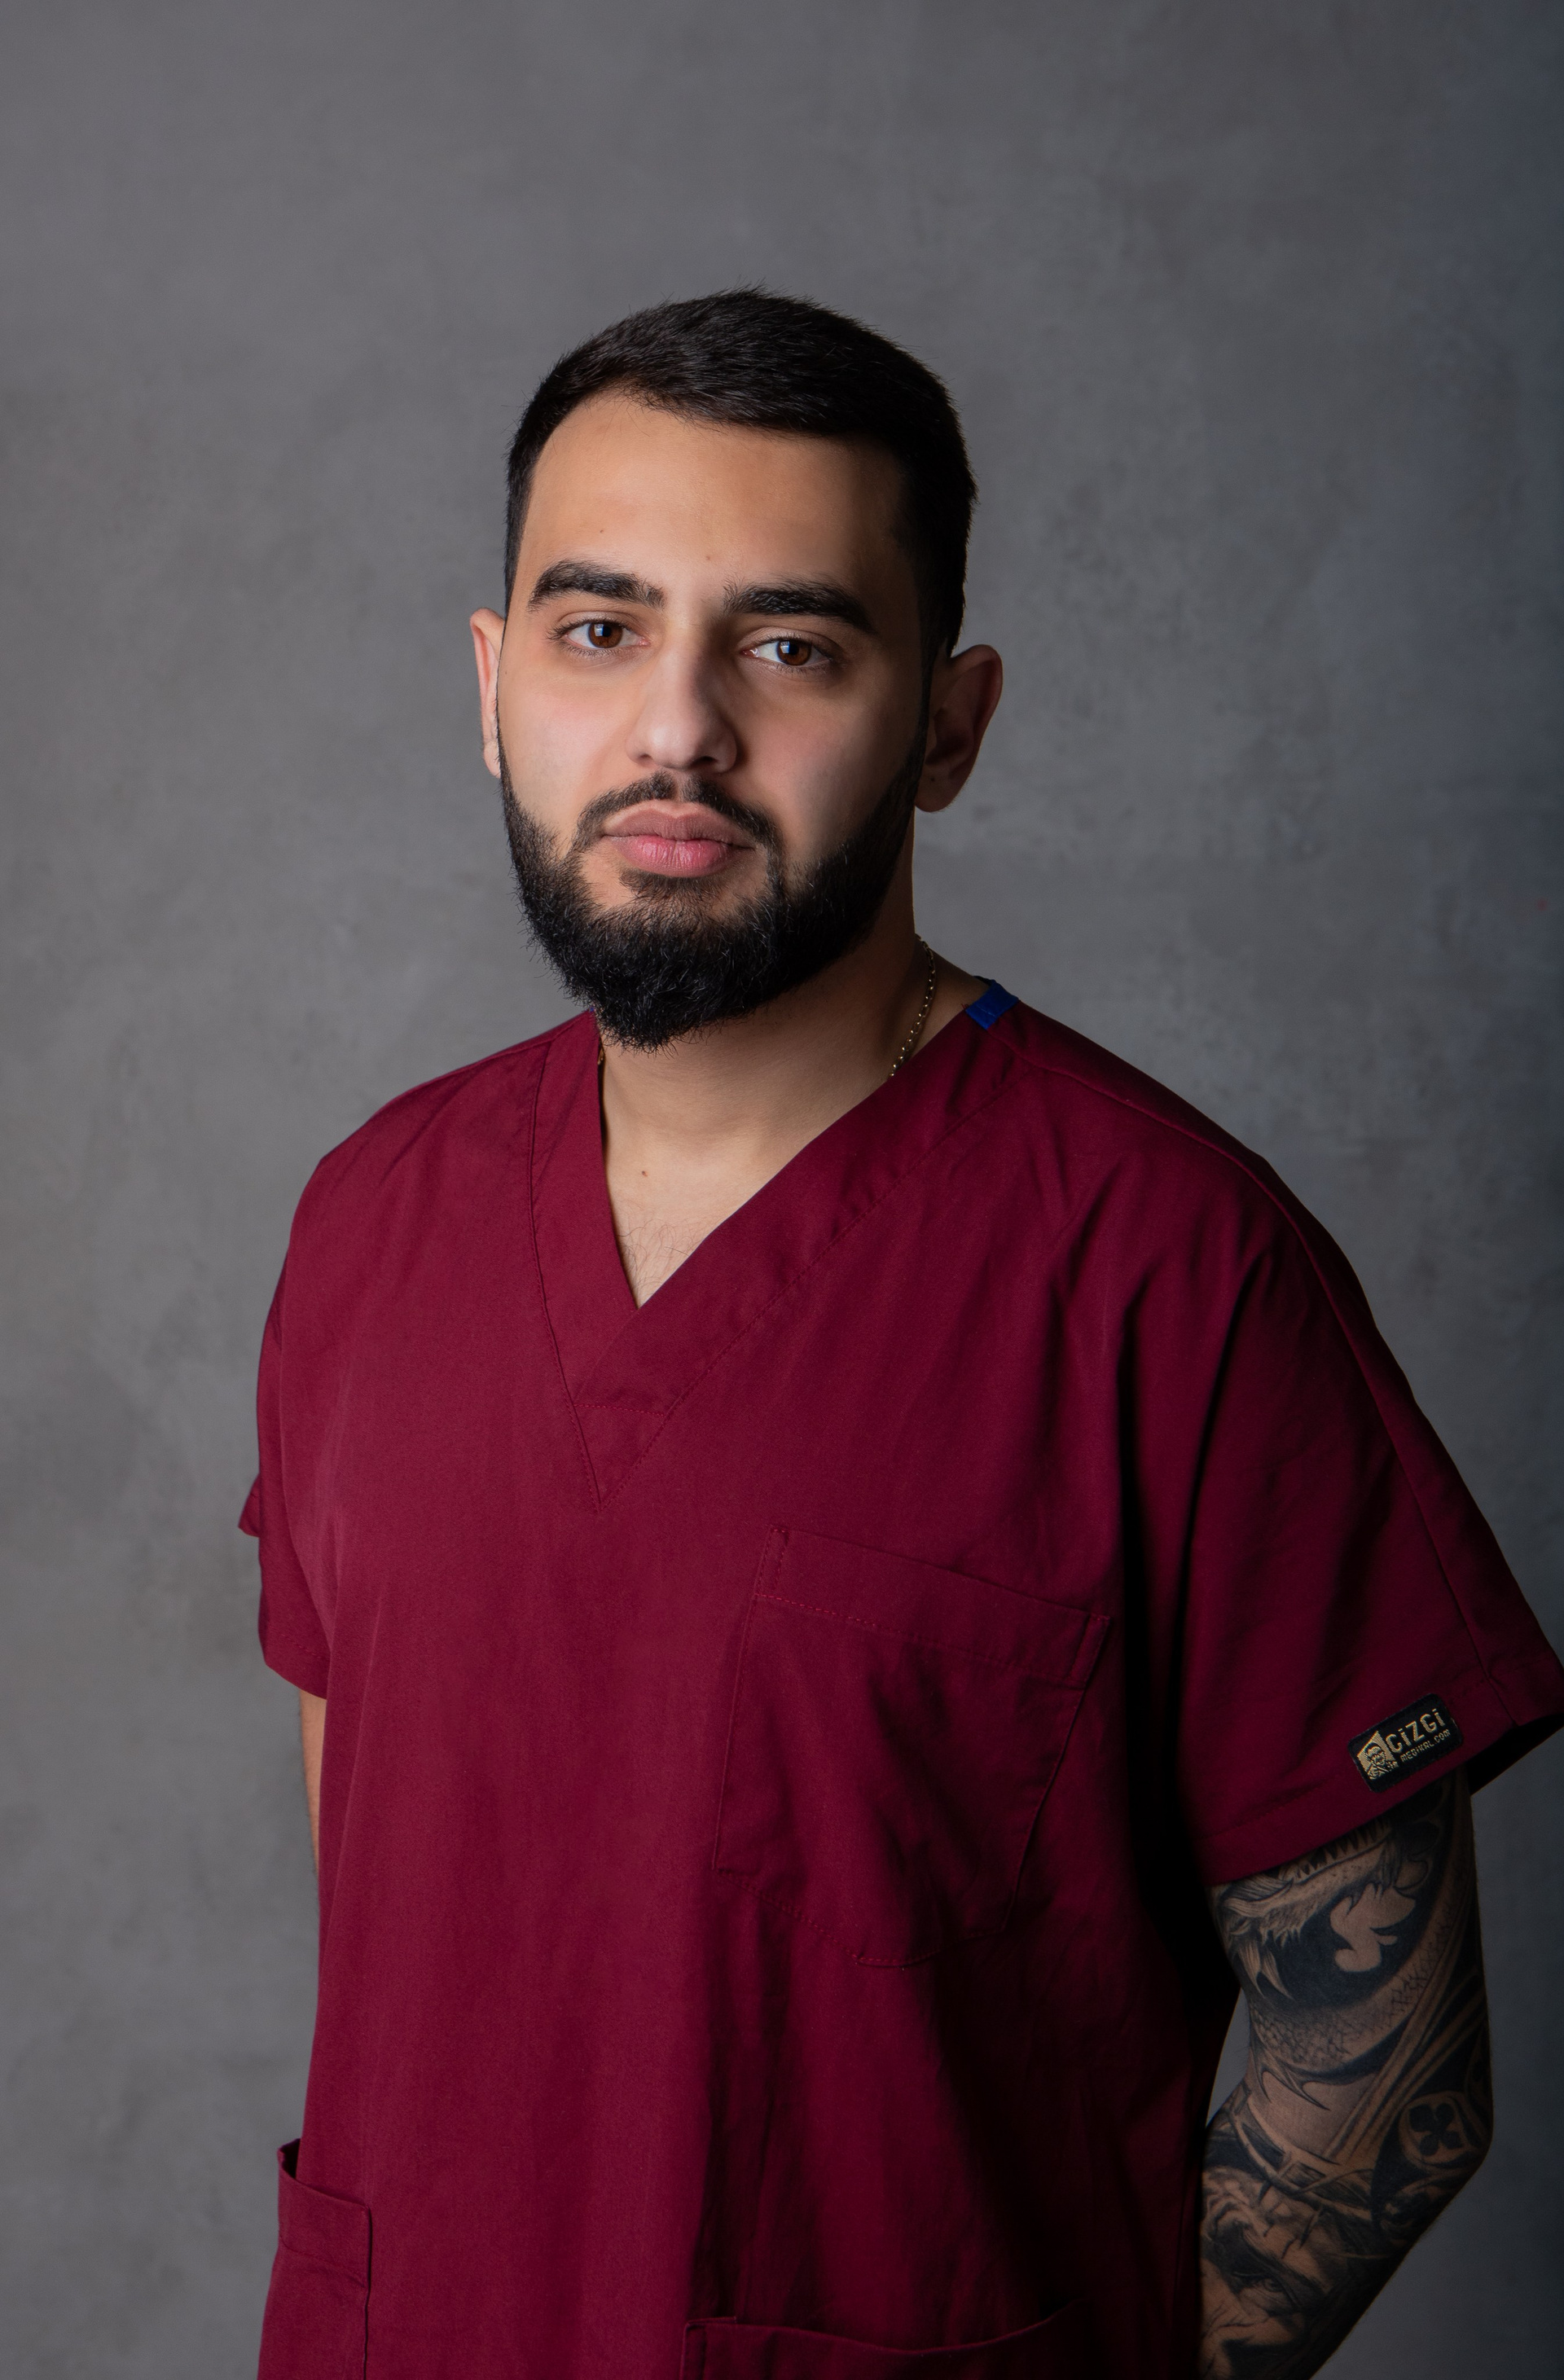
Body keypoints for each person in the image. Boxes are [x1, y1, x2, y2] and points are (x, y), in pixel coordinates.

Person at [241, 291, 1564, 2380]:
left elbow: (1385, 2086)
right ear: (493, 689)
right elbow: (400, 1914)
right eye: (599, 630)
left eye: (790, 647)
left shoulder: (1170, 1271)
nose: (678, 730)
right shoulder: (369, 1222)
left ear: (949, 724)